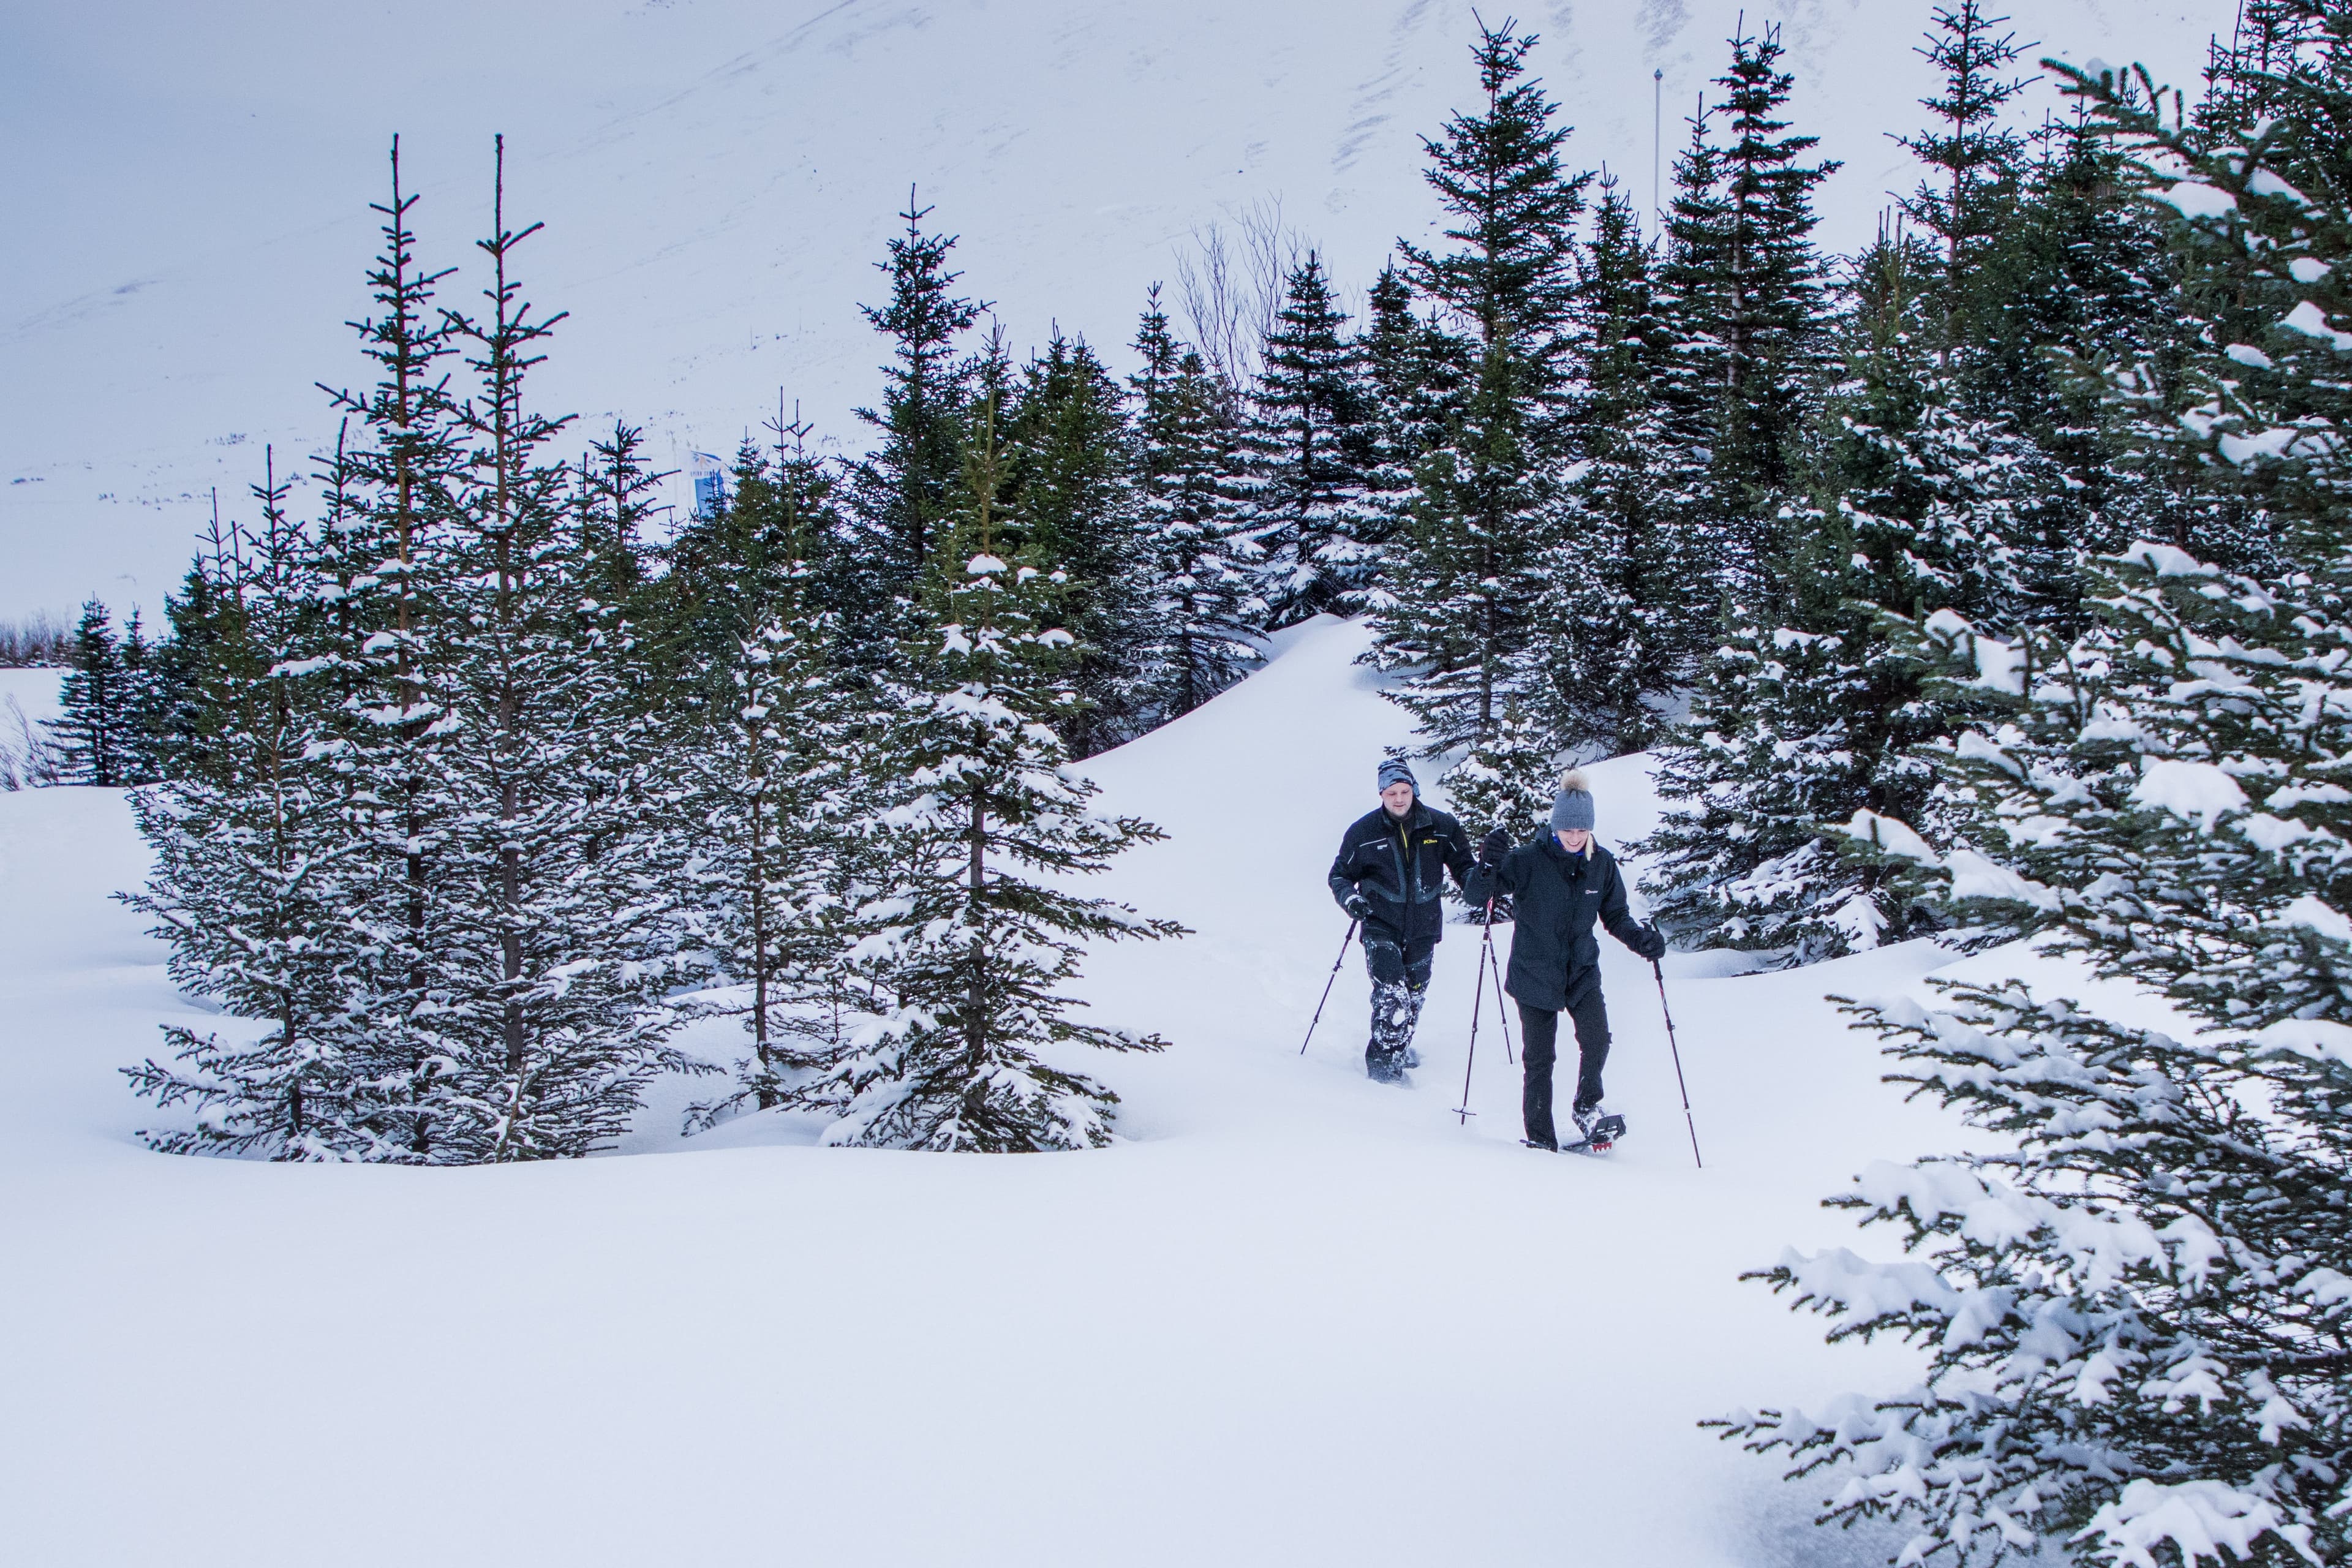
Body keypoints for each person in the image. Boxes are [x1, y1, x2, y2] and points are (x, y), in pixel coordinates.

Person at [1463, 769, 1667, 1149]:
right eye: (1567, 831)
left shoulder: (1602, 864)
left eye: (1581, 831)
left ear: (1590, 829)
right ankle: (1541, 1140)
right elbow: (1477, 896)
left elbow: (1617, 917)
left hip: (1582, 970)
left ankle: (1587, 1106)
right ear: (1555, 827)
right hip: (1534, 973)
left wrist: (1642, 941)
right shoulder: (1526, 861)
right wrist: (1488, 865)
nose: (1574, 838)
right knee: (1540, 1061)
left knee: (1597, 1039)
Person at [1326, 758, 1475, 1082]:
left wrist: (1483, 881)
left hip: (1424, 927)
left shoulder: (1441, 827)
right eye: (1391, 792)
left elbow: (1466, 869)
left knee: (1414, 995)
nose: (1398, 798)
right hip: (1380, 923)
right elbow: (1339, 876)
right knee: (1393, 998)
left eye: (1404, 791)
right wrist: (1351, 900)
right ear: (1381, 794)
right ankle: (1383, 1073)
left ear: (1413, 790)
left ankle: (1399, 1048)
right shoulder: (1362, 833)